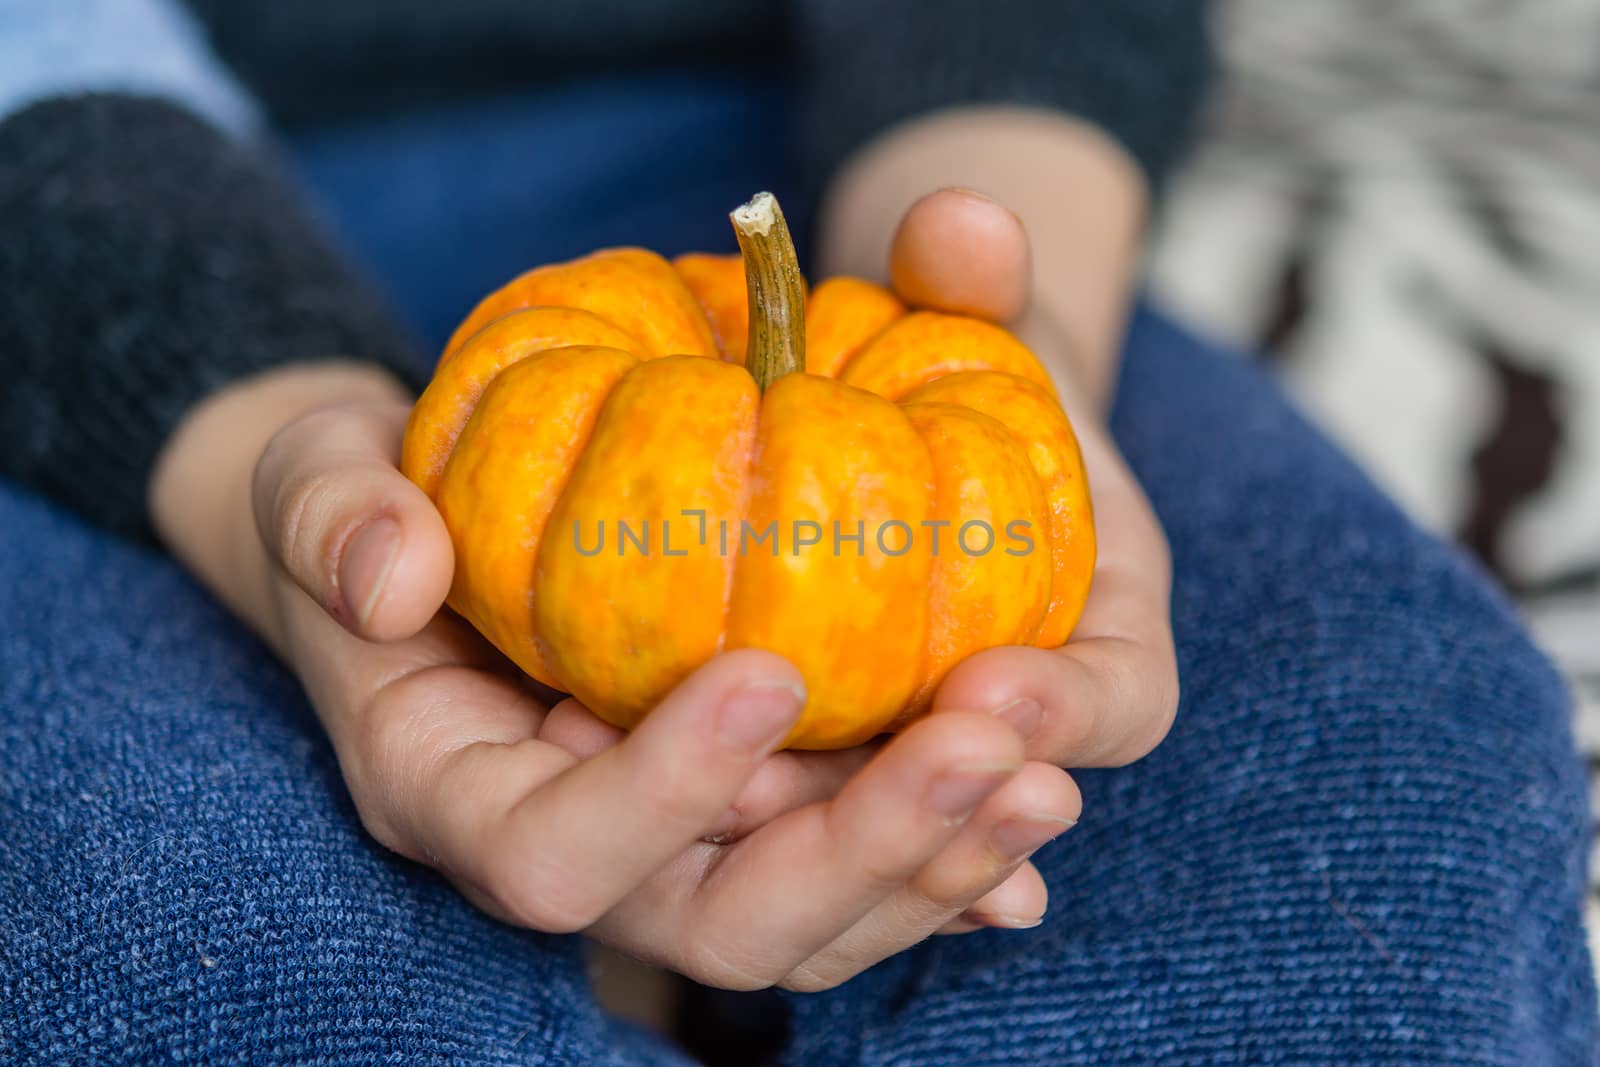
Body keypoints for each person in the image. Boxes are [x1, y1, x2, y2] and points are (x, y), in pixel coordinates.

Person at [0, 2, 1592, 1063]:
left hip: (814, 149)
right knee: (185, 931)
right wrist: (234, 440)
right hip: (89, 215)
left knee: (1389, 781)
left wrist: (999, 306)